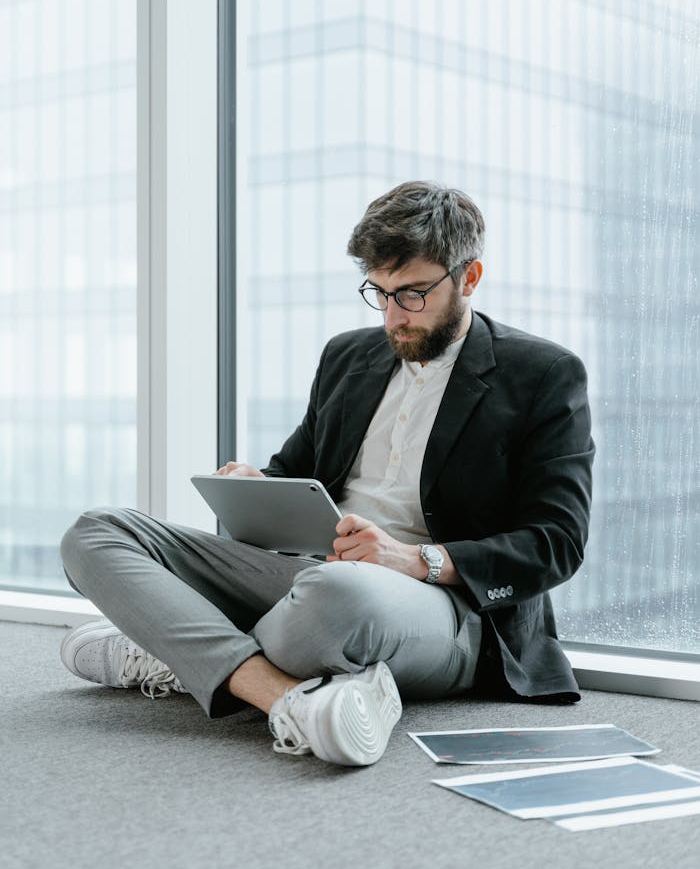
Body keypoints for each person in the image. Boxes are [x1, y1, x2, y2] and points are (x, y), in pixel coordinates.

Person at [59, 181, 594, 768]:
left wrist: (414, 559)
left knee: (332, 598)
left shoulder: (544, 373)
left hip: (440, 606)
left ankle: (178, 648)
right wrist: (258, 486)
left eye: (413, 294)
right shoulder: (348, 355)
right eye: (379, 292)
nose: (394, 316)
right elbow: (297, 472)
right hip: (308, 575)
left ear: (468, 278)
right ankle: (286, 696)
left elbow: (556, 543)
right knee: (96, 530)